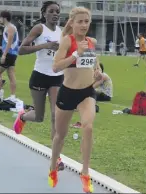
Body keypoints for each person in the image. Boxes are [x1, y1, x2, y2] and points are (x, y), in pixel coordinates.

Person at [48, 6, 102, 193]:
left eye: (86, 22)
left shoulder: (91, 42)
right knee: (60, 136)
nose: (84, 25)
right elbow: (55, 67)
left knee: (88, 127)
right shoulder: (66, 41)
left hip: (86, 92)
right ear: (72, 23)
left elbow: (94, 63)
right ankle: (53, 166)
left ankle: (85, 173)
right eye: (80, 21)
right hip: (67, 93)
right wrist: (75, 54)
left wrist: (98, 70)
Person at [13, 1, 64, 170]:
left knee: (56, 116)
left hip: (57, 77)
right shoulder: (39, 29)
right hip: (40, 76)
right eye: (52, 11)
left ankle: (56, 158)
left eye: (57, 11)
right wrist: (46, 45)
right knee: (39, 116)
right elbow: (21, 49)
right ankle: (23, 116)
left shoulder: (61, 31)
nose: (55, 14)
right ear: (44, 13)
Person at [0, 10, 19, 104]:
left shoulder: (10, 27)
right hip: (11, 54)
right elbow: (9, 43)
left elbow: (10, 43)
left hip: (9, 54)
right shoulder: (8, 27)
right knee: (11, 75)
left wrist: (4, 54)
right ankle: (12, 97)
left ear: (4, 18)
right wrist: (0, 47)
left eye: (0, 17)